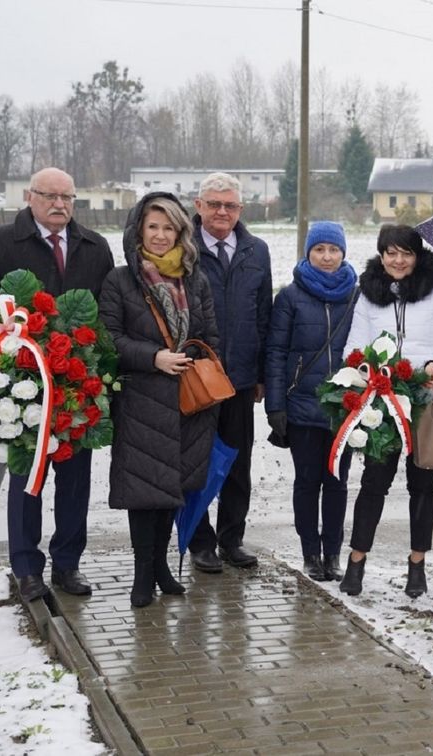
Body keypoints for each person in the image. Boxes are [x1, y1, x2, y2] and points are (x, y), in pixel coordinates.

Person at [0, 167, 114, 602]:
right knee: (28, 480)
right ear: (30, 196)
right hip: (23, 384)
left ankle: (67, 564)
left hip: (76, 384)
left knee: (75, 480)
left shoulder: (94, 247)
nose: (59, 205)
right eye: (49, 196)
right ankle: (27, 569)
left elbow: (104, 314)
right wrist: (2, 323)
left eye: (67, 197)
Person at [99, 193, 220, 607]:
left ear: (181, 233)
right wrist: (153, 358)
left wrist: (201, 362)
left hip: (189, 400)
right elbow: (109, 338)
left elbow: (211, 333)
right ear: (138, 230)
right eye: (153, 227)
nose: (161, 235)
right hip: (143, 399)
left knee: (174, 489)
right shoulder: (121, 280)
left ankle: (162, 567)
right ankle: (141, 575)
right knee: (143, 492)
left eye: (169, 227)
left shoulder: (195, 279)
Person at [338, 225, 433, 598]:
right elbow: (354, 344)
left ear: (417, 255)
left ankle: (417, 564)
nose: (398, 260)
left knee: (423, 486)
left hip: (426, 401)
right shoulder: (368, 294)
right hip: (383, 400)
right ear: (381, 255)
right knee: (373, 483)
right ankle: (357, 561)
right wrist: (364, 368)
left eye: (406, 253)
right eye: (391, 253)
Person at [187, 172, 272, 573]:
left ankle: (231, 539)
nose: (223, 212)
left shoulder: (257, 250)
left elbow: (263, 314)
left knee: (238, 463)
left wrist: (261, 375)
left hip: (239, 379)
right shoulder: (183, 249)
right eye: (215, 204)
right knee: (199, 462)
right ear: (198, 205)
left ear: (241, 209)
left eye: (231, 205)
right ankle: (199, 541)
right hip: (198, 377)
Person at [264, 222, 358, 582]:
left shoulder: (357, 296)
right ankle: (310, 553)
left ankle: (333, 552)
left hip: (344, 409)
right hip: (302, 407)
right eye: (319, 250)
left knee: (337, 482)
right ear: (308, 253)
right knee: (306, 482)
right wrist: (276, 406)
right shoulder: (290, 296)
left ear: (343, 253)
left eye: (333, 250)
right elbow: (275, 353)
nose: (327, 257)